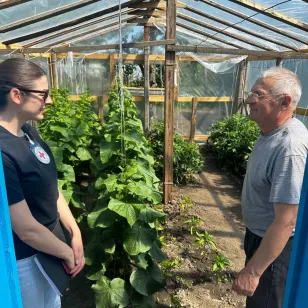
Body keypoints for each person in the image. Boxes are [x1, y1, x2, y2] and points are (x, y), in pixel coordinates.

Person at [0, 58, 85, 307]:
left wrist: (74, 230)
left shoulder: (28, 132)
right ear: (16, 95)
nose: (49, 101)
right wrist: (67, 253)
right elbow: (25, 228)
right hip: (25, 261)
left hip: (50, 247)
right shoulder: (3, 151)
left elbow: (51, 185)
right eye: (43, 94)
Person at [232, 67, 308, 308]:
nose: (249, 100)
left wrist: (254, 272)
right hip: (259, 237)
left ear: (284, 102)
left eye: (258, 94)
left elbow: (286, 221)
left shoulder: (289, 147)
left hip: (276, 248)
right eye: (250, 92)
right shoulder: (269, 132)